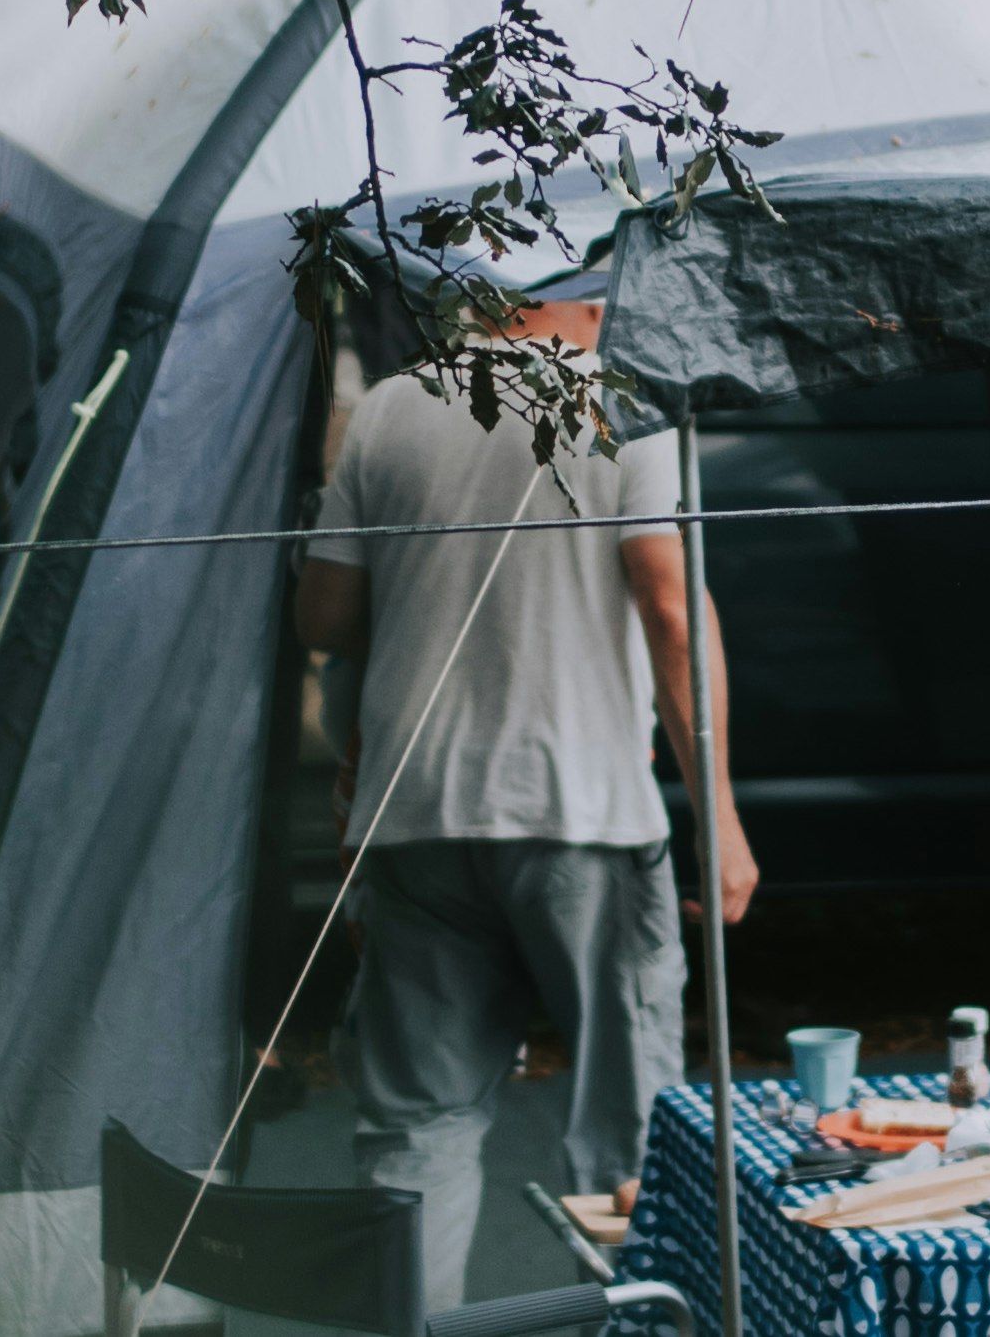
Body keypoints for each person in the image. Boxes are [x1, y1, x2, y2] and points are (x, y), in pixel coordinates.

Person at [295, 303, 758, 1303]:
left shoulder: (390, 406)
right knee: (632, 1137)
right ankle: (643, 1326)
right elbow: (669, 600)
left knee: (416, 1131)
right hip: (581, 811)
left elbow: (324, 614)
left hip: (415, 816)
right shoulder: (626, 398)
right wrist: (716, 813)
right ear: (587, 294)